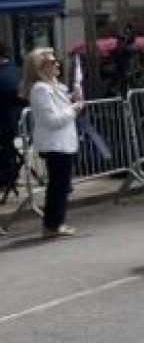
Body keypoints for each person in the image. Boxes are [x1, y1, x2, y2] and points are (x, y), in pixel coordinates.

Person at [22, 48, 82, 239]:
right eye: (51, 62)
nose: (57, 64)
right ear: (40, 68)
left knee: (62, 184)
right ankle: (52, 224)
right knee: (58, 185)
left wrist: (72, 99)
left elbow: (61, 107)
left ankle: (55, 222)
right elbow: (51, 120)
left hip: (63, 143)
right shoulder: (41, 89)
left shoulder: (55, 86)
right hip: (55, 144)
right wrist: (73, 109)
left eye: (56, 61)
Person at [0, 42, 24, 197]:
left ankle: (6, 176)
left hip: (5, 125)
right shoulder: (20, 71)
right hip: (21, 123)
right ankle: (10, 174)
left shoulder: (2, 75)